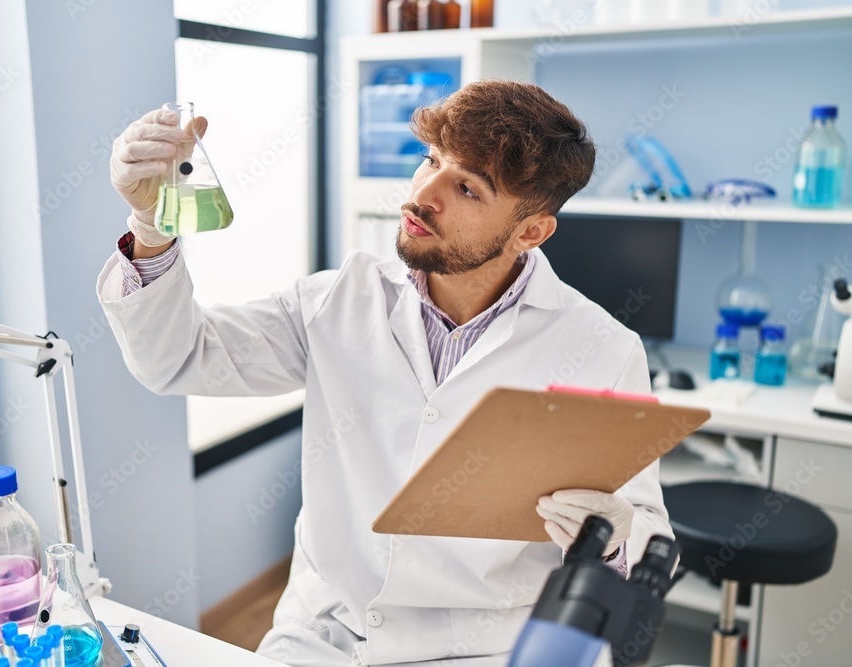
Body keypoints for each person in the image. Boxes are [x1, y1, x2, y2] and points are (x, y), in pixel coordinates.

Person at [98, 80, 672, 667]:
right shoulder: (337, 299)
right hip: (326, 635)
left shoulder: (601, 347)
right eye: (431, 161)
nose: (423, 194)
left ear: (530, 232)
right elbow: (177, 357)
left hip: (487, 650)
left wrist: (613, 541)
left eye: (467, 187)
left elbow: (645, 527)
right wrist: (151, 227)